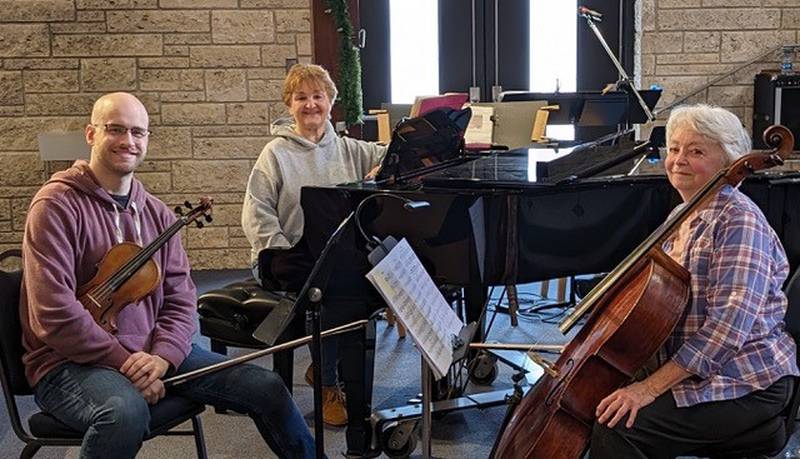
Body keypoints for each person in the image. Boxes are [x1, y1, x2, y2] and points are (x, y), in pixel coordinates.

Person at [19, 92, 316, 459]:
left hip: (151, 351)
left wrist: (163, 357)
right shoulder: (56, 206)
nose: (128, 141)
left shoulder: (157, 214)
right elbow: (54, 312)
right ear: (91, 134)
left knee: (267, 387)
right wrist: (125, 363)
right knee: (123, 413)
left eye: (138, 132)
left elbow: (180, 298)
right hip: (68, 362)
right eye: (116, 129)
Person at [589, 104, 800, 458]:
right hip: (700, 369)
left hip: (746, 379)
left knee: (621, 428)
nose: (678, 160)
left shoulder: (739, 221)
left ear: (729, 161)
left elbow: (727, 328)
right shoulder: (681, 214)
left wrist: (648, 389)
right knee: (598, 401)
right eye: (674, 149)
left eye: (696, 151)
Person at [241, 63, 385, 446]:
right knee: (337, 281)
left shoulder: (348, 148)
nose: (310, 104)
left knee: (359, 275)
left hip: (331, 259)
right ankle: (326, 384)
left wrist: (381, 167)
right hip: (283, 254)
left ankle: (332, 372)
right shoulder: (275, 153)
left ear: (331, 102)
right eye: (301, 97)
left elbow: (390, 156)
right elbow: (256, 211)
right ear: (289, 105)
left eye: (317, 96)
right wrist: (280, 247)